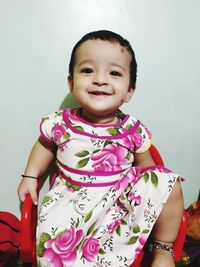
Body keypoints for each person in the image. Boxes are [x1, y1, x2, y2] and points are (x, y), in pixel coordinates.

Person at [18, 30, 184, 267]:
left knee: (168, 183)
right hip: (71, 206)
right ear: (71, 82)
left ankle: (162, 247)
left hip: (118, 207)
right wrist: (30, 176)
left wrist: (152, 192)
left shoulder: (132, 129)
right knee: (57, 254)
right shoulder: (61, 123)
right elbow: (45, 145)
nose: (100, 79)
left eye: (114, 73)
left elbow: (148, 171)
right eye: (87, 70)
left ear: (129, 91)